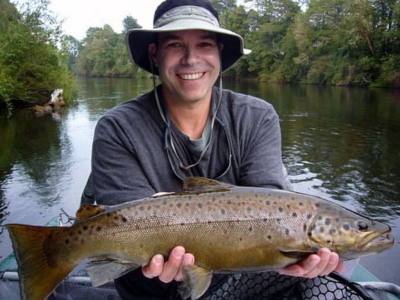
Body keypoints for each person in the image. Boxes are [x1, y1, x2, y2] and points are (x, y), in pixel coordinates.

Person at [81, 0, 343, 298]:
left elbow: (271, 202)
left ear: (219, 53)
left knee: (306, 275)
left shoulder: (257, 117)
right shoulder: (116, 127)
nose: (191, 59)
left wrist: (298, 258)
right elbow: (126, 222)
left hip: (234, 270)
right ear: (155, 54)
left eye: (204, 44)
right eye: (176, 45)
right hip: (146, 276)